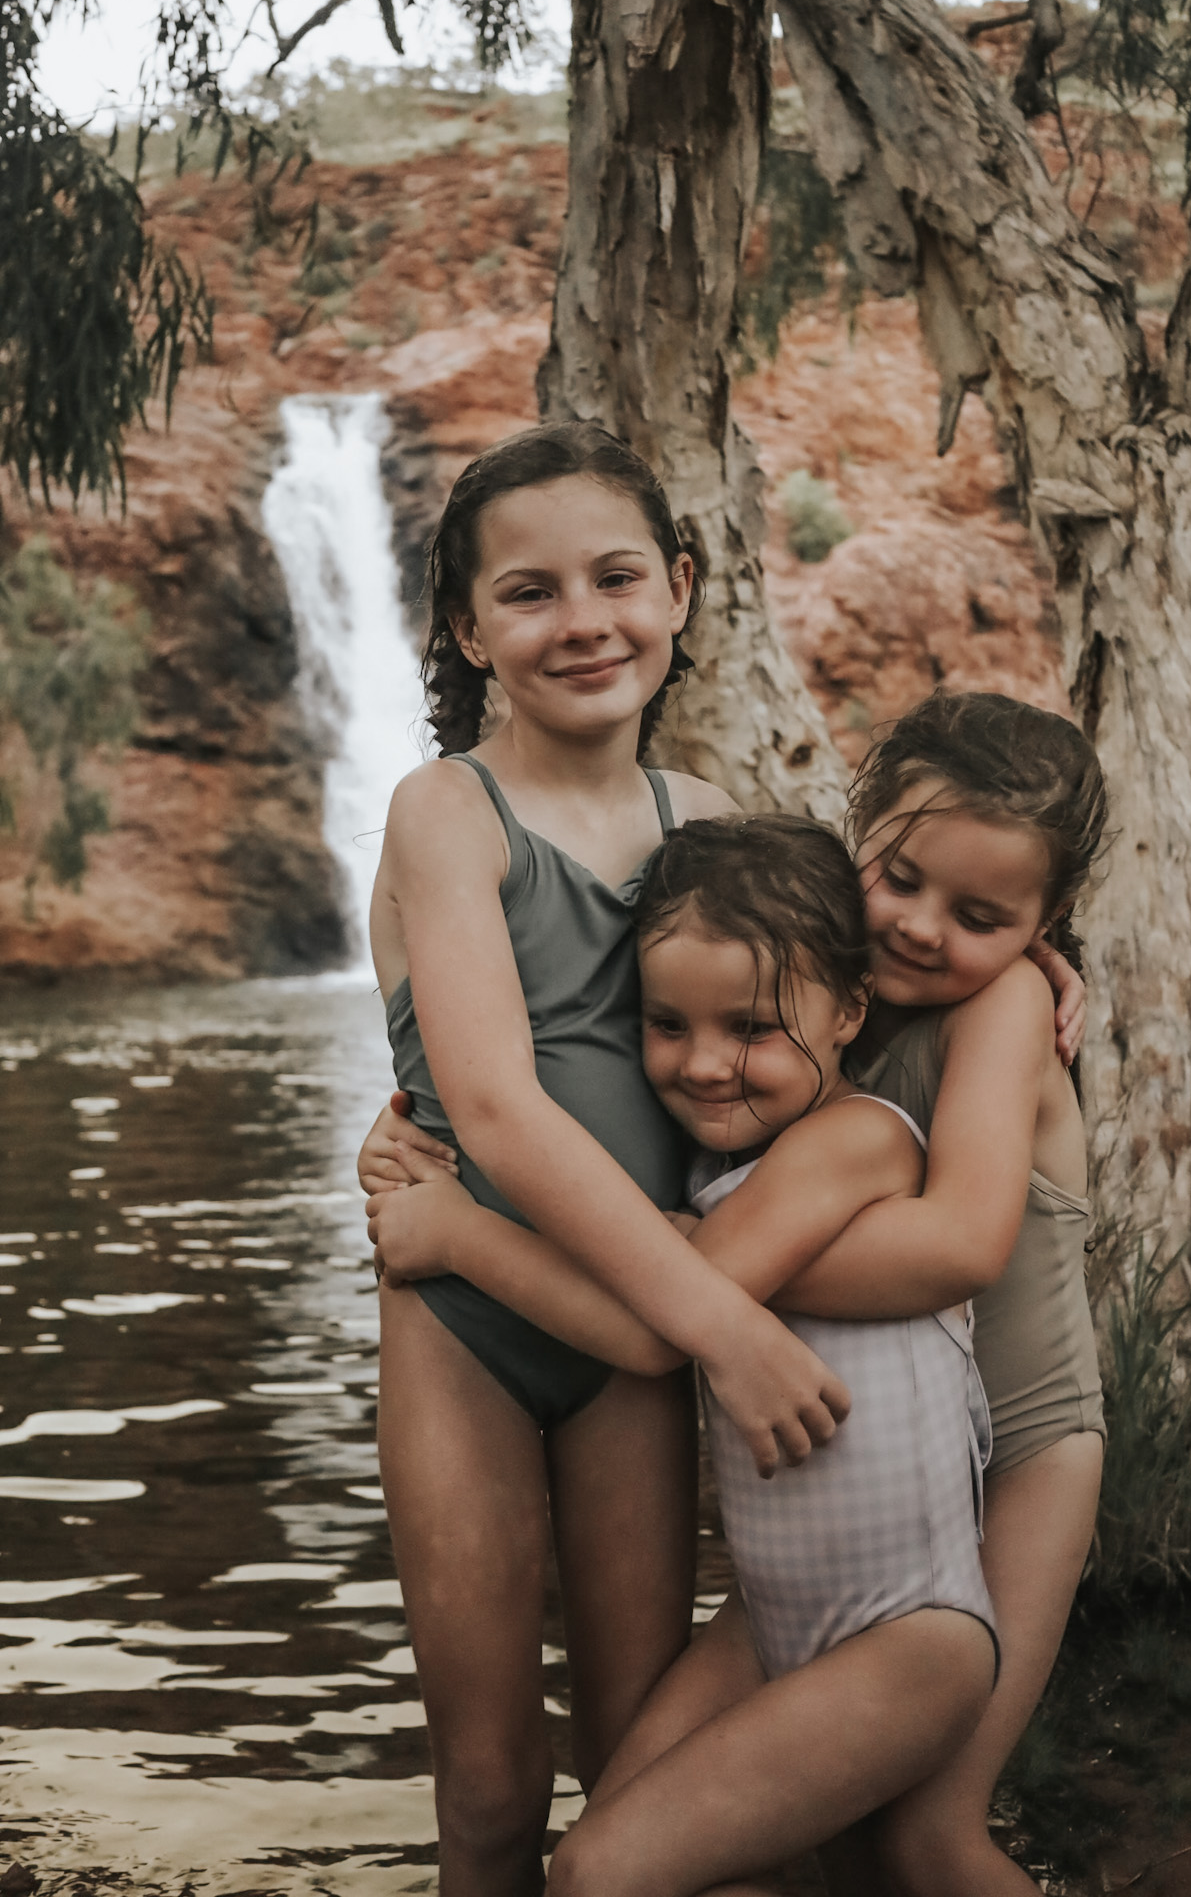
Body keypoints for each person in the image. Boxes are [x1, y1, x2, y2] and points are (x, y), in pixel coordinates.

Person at [368, 692, 1108, 1897]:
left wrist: (686, 1251)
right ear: (857, 842)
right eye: (903, 880)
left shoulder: (999, 999)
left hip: (1025, 1440)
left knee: (924, 1834)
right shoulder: (807, 997)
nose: (923, 928)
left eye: (983, 914)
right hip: (864, 1508)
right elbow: (556, 1044)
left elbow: (962, 1244)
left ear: (1043, 920)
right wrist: (416, 1125)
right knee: (782, 1828)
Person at [364, 419, 851, 1897]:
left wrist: (1043, 970)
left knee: (638, 1761)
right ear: (466, 626)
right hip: (471, 1334)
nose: (582, 621)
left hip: (632, 1346)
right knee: (496, 1790)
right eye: (528, 593)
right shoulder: (447, 811)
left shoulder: (699, 819)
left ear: (683, 589)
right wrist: (734, 1336)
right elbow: (498, 1109)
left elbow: (845, 992)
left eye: (616, 577)